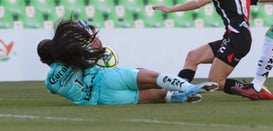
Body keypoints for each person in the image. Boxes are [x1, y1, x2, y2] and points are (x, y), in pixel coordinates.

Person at [153, 0, 273, 100]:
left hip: (236, 38)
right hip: (236, 38)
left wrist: (170, 9)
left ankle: (253, 89)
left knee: (215, 81)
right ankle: (177, 91)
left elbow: (198, 3)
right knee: (193, 56)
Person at [37, 19, 219, 105]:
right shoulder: (72, 57)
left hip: (102, 100)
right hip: (106, 78)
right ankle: (187, 87)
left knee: (156, 96)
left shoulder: (50, 83)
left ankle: (177, 98)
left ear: (44, 60)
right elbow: (97, 48)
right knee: (154, 78)